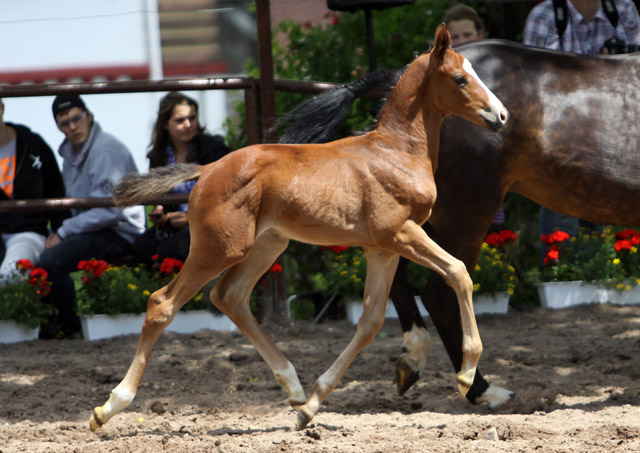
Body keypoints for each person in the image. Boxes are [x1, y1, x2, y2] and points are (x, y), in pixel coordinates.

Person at [524, 0, 640, 246]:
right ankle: (560, 274)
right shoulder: (544, 15)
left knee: (615, 233)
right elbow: (531, 88)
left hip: (615, 141)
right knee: (561, 228)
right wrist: (605, 68)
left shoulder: (623, 9)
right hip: (562, 142)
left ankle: (615, 272)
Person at [39, 94, 145, 338]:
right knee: (42, 252)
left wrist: (63, 232)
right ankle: (55, 323)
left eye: (77, 118)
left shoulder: (105, 150)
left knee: (51, 261)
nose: (73, 127)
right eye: (64, 124)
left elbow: (109, 211)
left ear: (89, 116)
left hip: (119, 232)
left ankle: (69, 329)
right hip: (94, 229)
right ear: (58, 127)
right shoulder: (72, 153)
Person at [131, 92, 230, 268]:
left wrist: (190, 218)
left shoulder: (214, 151)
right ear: (165, 125)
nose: (188, 124)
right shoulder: (159, 155)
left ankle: (178, 294)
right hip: (175, 224)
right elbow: (160, 196)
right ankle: (148, 293)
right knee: (141, 248)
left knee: (169, 252)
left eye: (192, 118)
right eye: (180, 120)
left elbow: (224, 198)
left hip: (209, 223)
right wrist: (161, 212)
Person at [0, 98, 69, 281]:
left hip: (29, 232)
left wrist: (60, 232)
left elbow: (56, 190)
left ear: (2, 109)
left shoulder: (33, 144)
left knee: (11, 275)